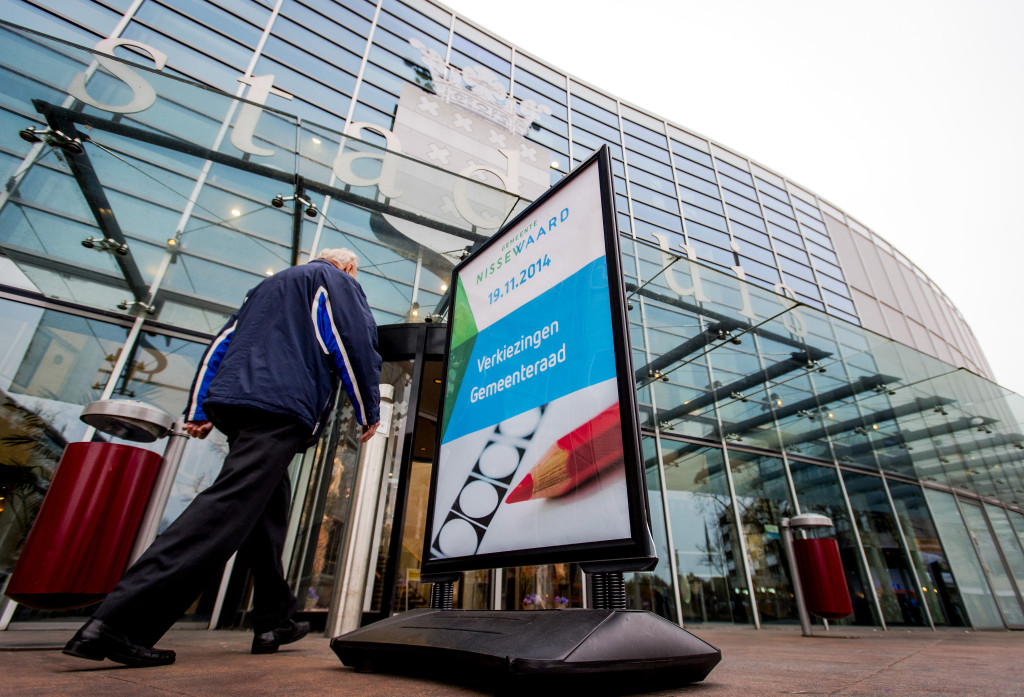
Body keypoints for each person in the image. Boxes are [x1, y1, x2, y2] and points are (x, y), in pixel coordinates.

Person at [63, 248, 382, 668]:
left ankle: (274, 620)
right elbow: (353, 341)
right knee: (227, 507)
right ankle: (117, 623)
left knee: (264, 512)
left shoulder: (266, 288)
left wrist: (199, 407)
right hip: (281, 406)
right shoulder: (335, 280)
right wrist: (368, 407)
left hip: (238, 404)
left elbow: (220, 344)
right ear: (349, 267)